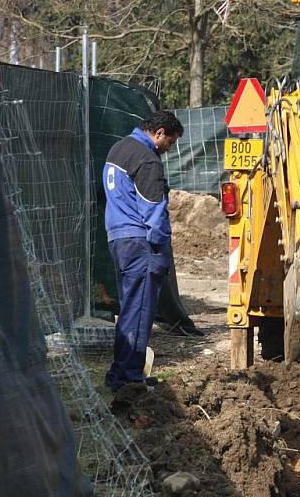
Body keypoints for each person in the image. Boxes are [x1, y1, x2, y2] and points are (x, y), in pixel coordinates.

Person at [103, 110, 183, 391]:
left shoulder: (118, 148)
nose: (168, 149)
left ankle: (119, 373)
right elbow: (153, 209)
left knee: (128, 309)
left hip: (117, 238)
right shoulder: (146, 158)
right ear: (159, 132)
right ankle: (129, 379)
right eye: (169, 142)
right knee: (139, 311)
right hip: (140, 243)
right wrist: (161, 246)